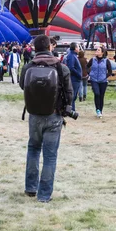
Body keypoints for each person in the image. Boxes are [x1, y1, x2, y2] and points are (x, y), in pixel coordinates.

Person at [20, 35, 73, 203]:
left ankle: (30, 187)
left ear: (34, 48)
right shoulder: (60, 67)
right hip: (54, 114)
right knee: (50, 156)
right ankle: (44, 195)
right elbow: (70, 92)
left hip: (34, 114)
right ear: (50, 47)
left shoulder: (28, 66)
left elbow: (23, 85)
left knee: (33, 149)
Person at [87, 46, 112, 119]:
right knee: (97, 93)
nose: (97, 51)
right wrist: (90, 73)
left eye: (98, 50)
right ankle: (97, 109)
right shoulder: (92, 59)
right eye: (96, 50)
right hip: (94, 80)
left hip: (103, 81)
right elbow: (87, 67)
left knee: (101, 96)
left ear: (102, 52)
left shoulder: (106, 60)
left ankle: (100, 110)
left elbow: (110, 71)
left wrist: (105, 76)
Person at [65, 43, 82, 110]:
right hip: (74, 79)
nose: (79, 49)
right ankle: (71, 110)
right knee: (72, 95)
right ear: (75, 48)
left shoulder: (74, 55)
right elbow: (71, 68)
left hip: (76, 79)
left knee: (74, 96)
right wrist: (78, 74)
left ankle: (72, 109)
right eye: (78, 47)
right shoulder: (71, 56)